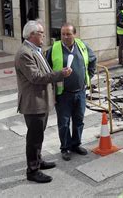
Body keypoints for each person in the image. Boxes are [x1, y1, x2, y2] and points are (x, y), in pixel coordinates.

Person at [15, 20, 72, 183]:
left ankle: (38, 161)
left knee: (38, 136)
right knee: (33, 138)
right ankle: (32, 170)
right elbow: (36, 77)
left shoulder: (35, 50)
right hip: (33, 103)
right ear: (32, 35)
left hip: (41, 102)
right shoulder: (24, 53)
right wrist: (60, 74)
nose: (43, 36)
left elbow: (44, 71)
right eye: (41, 33)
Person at [46, 23, 97, 161]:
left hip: (80, 92)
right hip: (63, 93)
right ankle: (65, 147)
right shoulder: (54, 49)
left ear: (74, 34)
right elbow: (47, 71)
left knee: (79, 120)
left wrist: (88, 76)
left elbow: (93, 60)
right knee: (64, 123)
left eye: (68, 34)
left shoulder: (82, 46)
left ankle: (76, 144)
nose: (65, 37)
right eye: (63, 34)